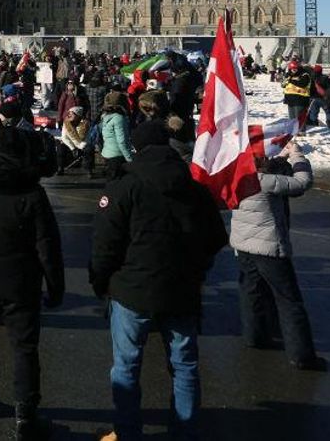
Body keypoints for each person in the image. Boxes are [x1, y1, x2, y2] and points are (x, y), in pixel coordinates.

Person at [91, 122, 228, 441]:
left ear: (136, 148)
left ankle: (127, 432)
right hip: (181, 289)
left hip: (132, 290)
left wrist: (101, 283)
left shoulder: (124, 187)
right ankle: (185, 431)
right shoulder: (193, 188)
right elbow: (216, 237)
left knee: (126, 366)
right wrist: (197, 269)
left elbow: (104, 245)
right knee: (184, 366)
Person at [0, 124, 63, 439]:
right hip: (20, 282)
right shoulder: (32, 193)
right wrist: (56, 286)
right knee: (24, 349)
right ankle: (25, 415)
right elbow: (47, 245)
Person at [230, 144, 326, 370]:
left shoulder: (235, 175)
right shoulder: (263, 180)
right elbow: (302, 182)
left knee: (251, 293)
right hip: (268, 246)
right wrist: (297, 155)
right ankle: (301, 355)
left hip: (243, 244)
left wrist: (282, 155)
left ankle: (254, 337)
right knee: (289, 300)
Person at [99, 91, 133, 179]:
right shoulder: (119, 118)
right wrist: (129, 158)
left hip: (107, 153)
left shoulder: (106, 116)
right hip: (118, 155)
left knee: (111, 184)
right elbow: (122, 141)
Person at [56, 106, 91, 175]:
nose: (69, 115)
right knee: (61, 146)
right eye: (69, 113)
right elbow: (64, 137)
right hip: (70, 143)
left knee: (89, 149)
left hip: (81, 143)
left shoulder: (85, 123)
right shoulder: (66, 122)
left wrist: (81, 146)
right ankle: (60, 168)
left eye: (72, 114)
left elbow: (87, 137)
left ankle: (89, 170)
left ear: (78, 115)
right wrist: (73, 148)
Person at [282, 60, 312, 124]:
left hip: (300, 99)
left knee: (299, 116)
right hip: (290, 98)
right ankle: (293, 130)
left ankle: (301, 130)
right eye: (292, 69)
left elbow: (302, 84)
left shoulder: (304, 75)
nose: (294, 70)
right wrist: (285, 81)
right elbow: (283, 85)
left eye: (295, 69)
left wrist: (291, 80)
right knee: (292, 117)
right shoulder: (288, 75)